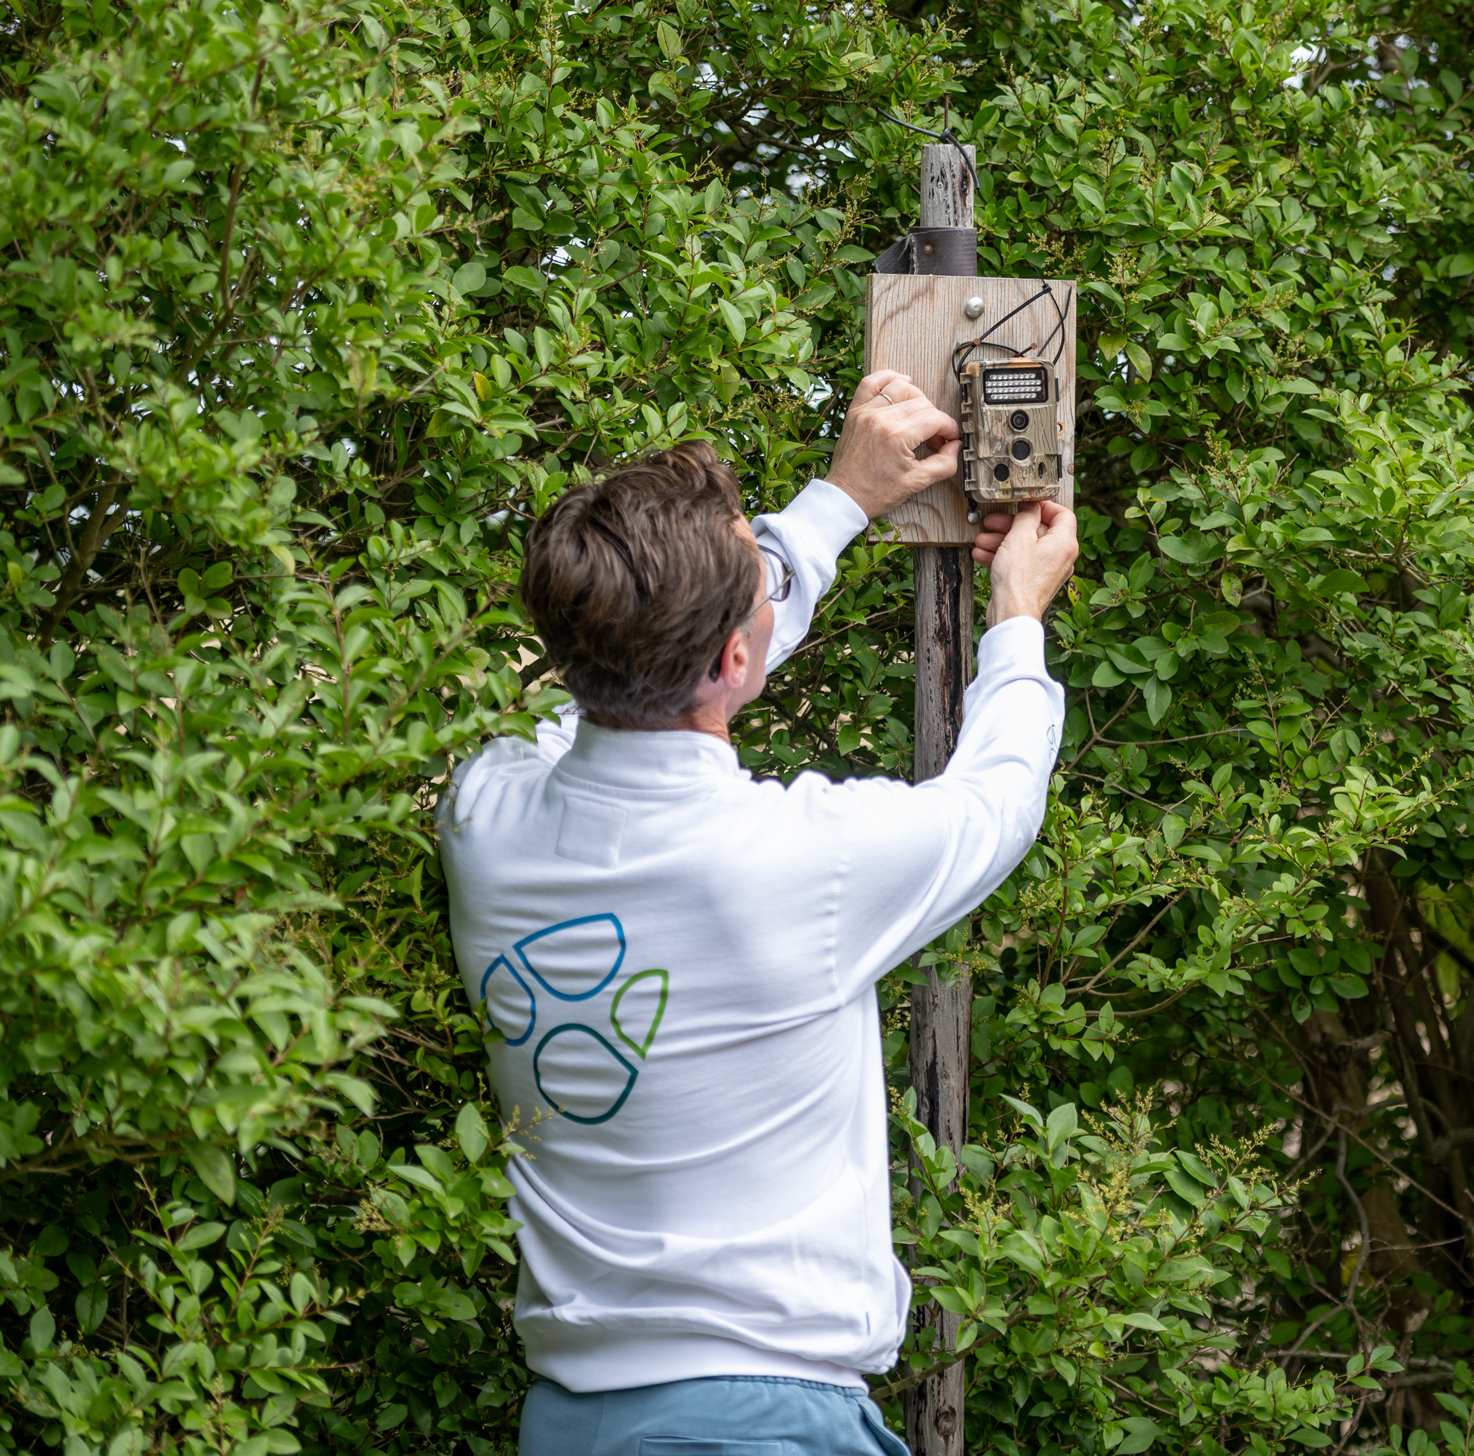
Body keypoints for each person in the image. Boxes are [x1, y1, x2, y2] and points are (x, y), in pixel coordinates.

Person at [438, 370, 1079, 1455]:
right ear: (737, 656)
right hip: (762, 1425)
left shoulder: (484, 813)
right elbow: (995, 803)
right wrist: (1017, 616)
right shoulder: (799, 862)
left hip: (572, 1424)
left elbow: (625, 680)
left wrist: (842, 500)